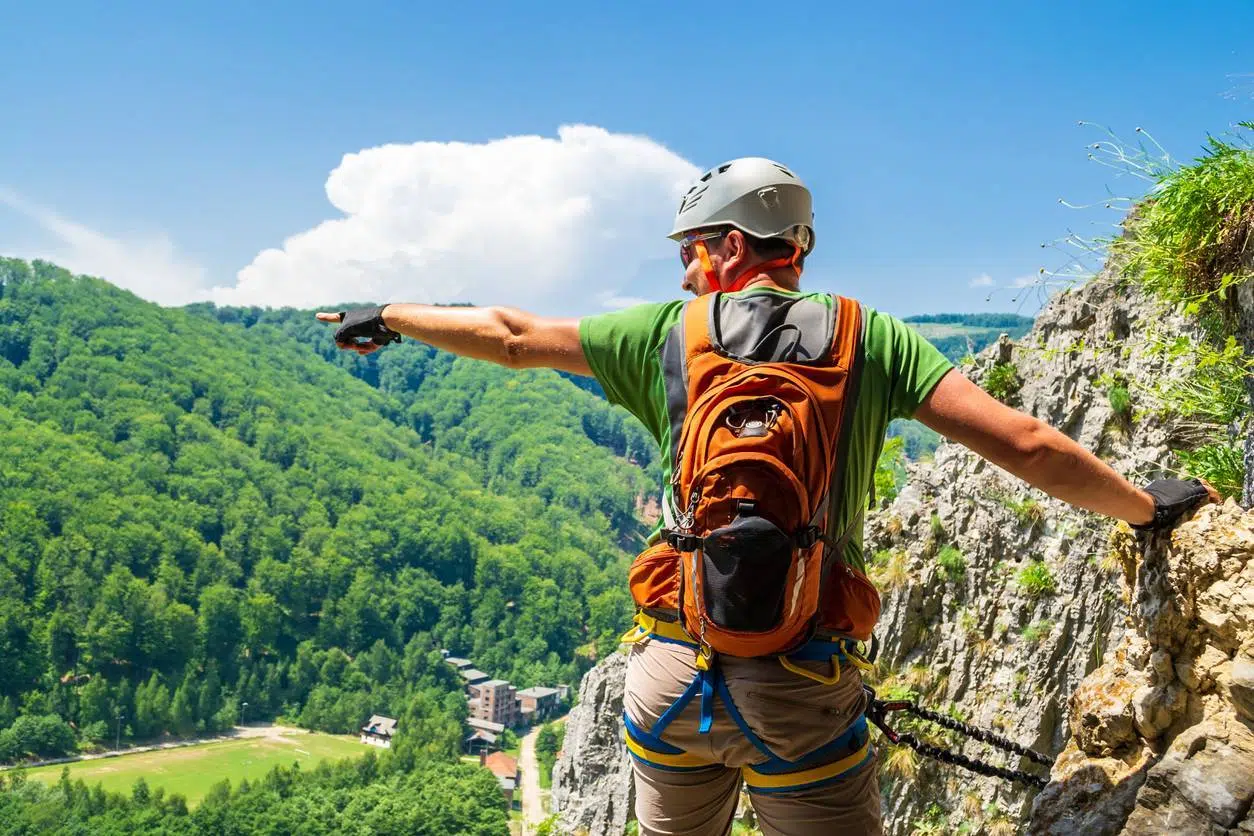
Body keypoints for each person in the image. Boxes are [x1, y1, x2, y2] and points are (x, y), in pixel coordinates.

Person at [318, 157, 1218, 835]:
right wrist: (1148, 509)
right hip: (799, 684)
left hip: (670, 678)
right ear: (799, 250)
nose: (681, 274)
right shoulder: (873, 340)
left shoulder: (666, 334)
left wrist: (390, 315)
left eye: (688, 251)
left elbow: (509, 336)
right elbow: (1027, 446)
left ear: (730, 245)